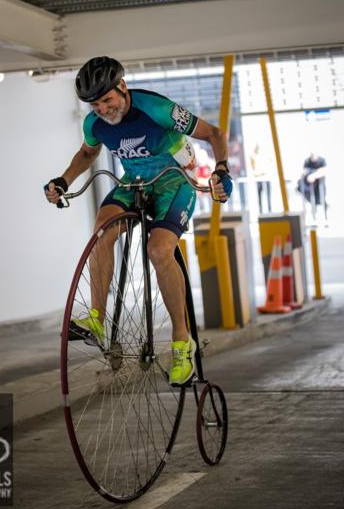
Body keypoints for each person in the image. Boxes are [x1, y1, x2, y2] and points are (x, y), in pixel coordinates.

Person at [44, 56, 232, 386]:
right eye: (94, 104)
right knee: (103, 228)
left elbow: (214, 133)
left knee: (159, 251)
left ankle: (181, 342)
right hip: (135, 182)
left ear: (123, 87)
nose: (102, 109)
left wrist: (222, 169)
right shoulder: (95, 124)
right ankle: (97, 318)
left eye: (107, 100)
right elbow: (88, 154)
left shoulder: (156, 109)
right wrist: (63, 181)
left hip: (175, 181)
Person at [298, 152, 328, 222]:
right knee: (311, 201)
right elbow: (303, 171)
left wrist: (313, 175)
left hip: (319, 186)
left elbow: (323, 171)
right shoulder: (307, 161)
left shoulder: (321, 161)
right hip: (310, 187)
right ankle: (313, 217)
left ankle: (324, 217)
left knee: (321, 200)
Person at [249, 143, 273, 214]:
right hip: (259, 178)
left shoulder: (264, 156)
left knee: (268, 196)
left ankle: (269, 211)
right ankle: (261, 211)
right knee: (260, 195)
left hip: (266, 178)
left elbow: (269, 165)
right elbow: (253, 168)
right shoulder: (253, 156)